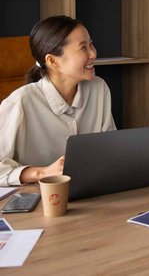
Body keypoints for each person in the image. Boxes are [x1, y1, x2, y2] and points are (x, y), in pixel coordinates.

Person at [0, 15, 116, 186]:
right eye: (83, 47)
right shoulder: (20, 102)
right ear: (53, 60)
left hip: (90, 191)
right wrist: (43, 172)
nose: (93, 53)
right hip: (40, 199)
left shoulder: (99, 88)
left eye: (91, 44)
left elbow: (111, 148)